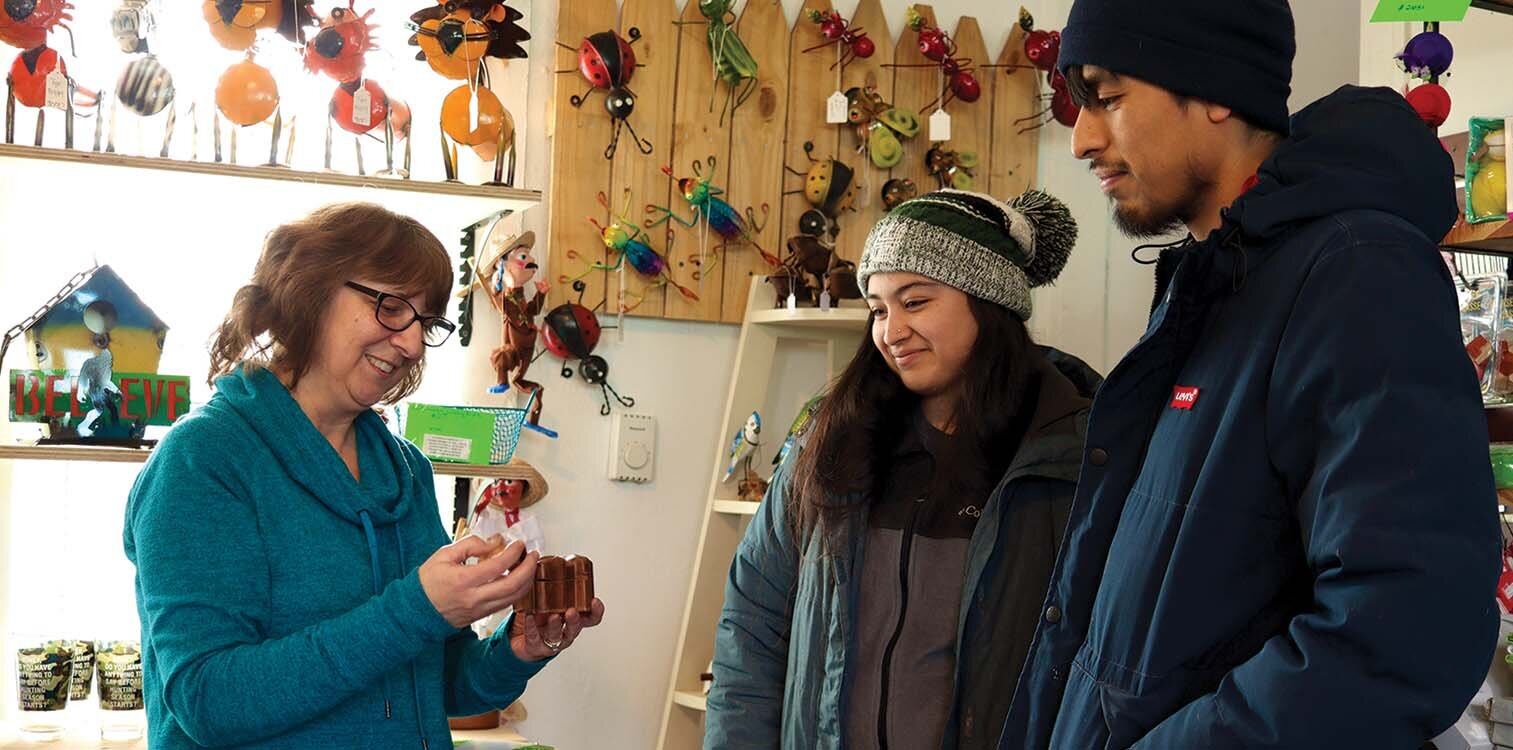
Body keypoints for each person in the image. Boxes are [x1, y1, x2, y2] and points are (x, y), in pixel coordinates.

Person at [1000, 2, 1502, 747]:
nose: (1081, 139)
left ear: (1214, 90)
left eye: (1106, 96)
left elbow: (1404, 628)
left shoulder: (1353, 272)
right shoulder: (1215, 284)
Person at [124, 203, 605, 749]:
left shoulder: (406, 472)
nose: (413, 343)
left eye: (426, 323)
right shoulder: (203, 461)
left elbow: (433, 687)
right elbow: (208, 702)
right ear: (311, 291)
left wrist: (515, 651)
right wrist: (416, 608)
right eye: (392, 307)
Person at [706, 189, 1099, 749]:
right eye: (879, 309)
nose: (891, 332)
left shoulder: (1075, 454)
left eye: (915, 302)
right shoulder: (832, 441)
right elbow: (752, 625)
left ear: (989, 301)